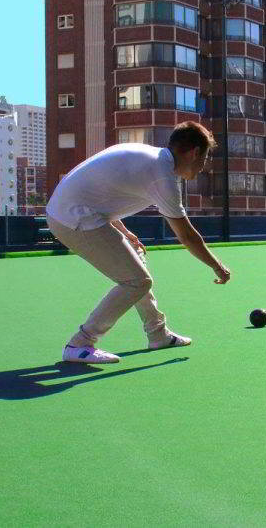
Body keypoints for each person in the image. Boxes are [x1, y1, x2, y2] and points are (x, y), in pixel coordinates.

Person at [46, 121, 231, 364]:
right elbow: (186, 235)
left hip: (73, 211)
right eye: (204, 159)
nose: (202, 168)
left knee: (136, 266)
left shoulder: (150, 158)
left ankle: (158, 334)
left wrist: (122, 229)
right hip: (73, 218)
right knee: (137, 281)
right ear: (194, 152)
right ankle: (80, 343)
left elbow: (101, 188)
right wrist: (216, 265)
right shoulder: (162, 176)